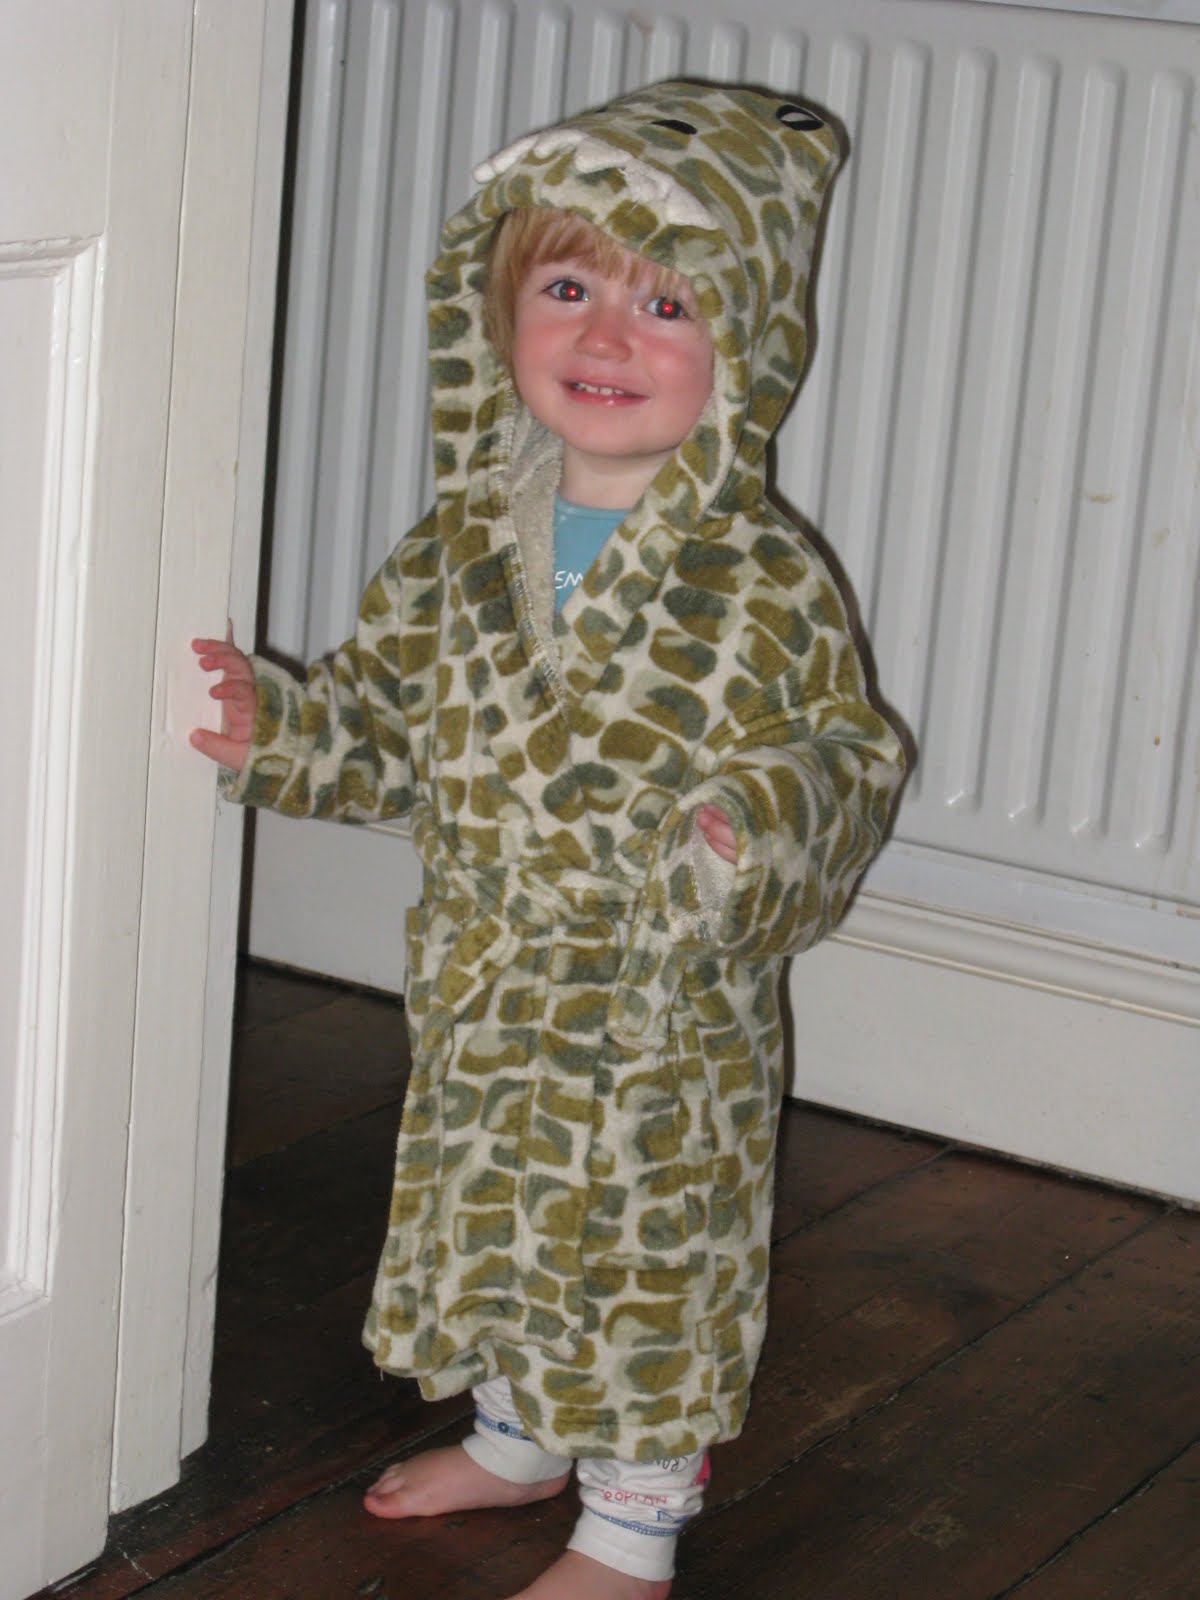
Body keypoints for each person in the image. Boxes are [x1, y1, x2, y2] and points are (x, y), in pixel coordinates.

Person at [192, 80, 905, 1600]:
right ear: (495, 316)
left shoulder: (759, 580)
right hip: (488, 979)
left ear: (751, 348)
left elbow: (845, 758)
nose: (608, 338)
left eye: (668, 304)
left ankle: (633, 1523)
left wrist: (746, 826)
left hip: (658, 1011)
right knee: (501, 1212)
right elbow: (389, 724)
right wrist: (283, 733)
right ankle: (520, 1433)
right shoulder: (458, 551)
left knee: (644, 1250)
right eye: (569, 290)